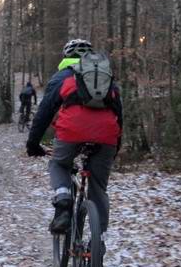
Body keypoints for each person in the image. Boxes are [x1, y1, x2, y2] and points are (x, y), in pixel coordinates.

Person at [25, 38, 123, 249]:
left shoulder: (61, 77)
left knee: (58, 164)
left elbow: (44, 113)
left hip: (71, 132)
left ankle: (63, 203)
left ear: (66, 57)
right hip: (107, 136)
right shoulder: (106, 79)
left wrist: (33, 144)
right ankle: (100, 242)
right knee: (98, 188)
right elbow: (119, 114)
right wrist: (115, 147)